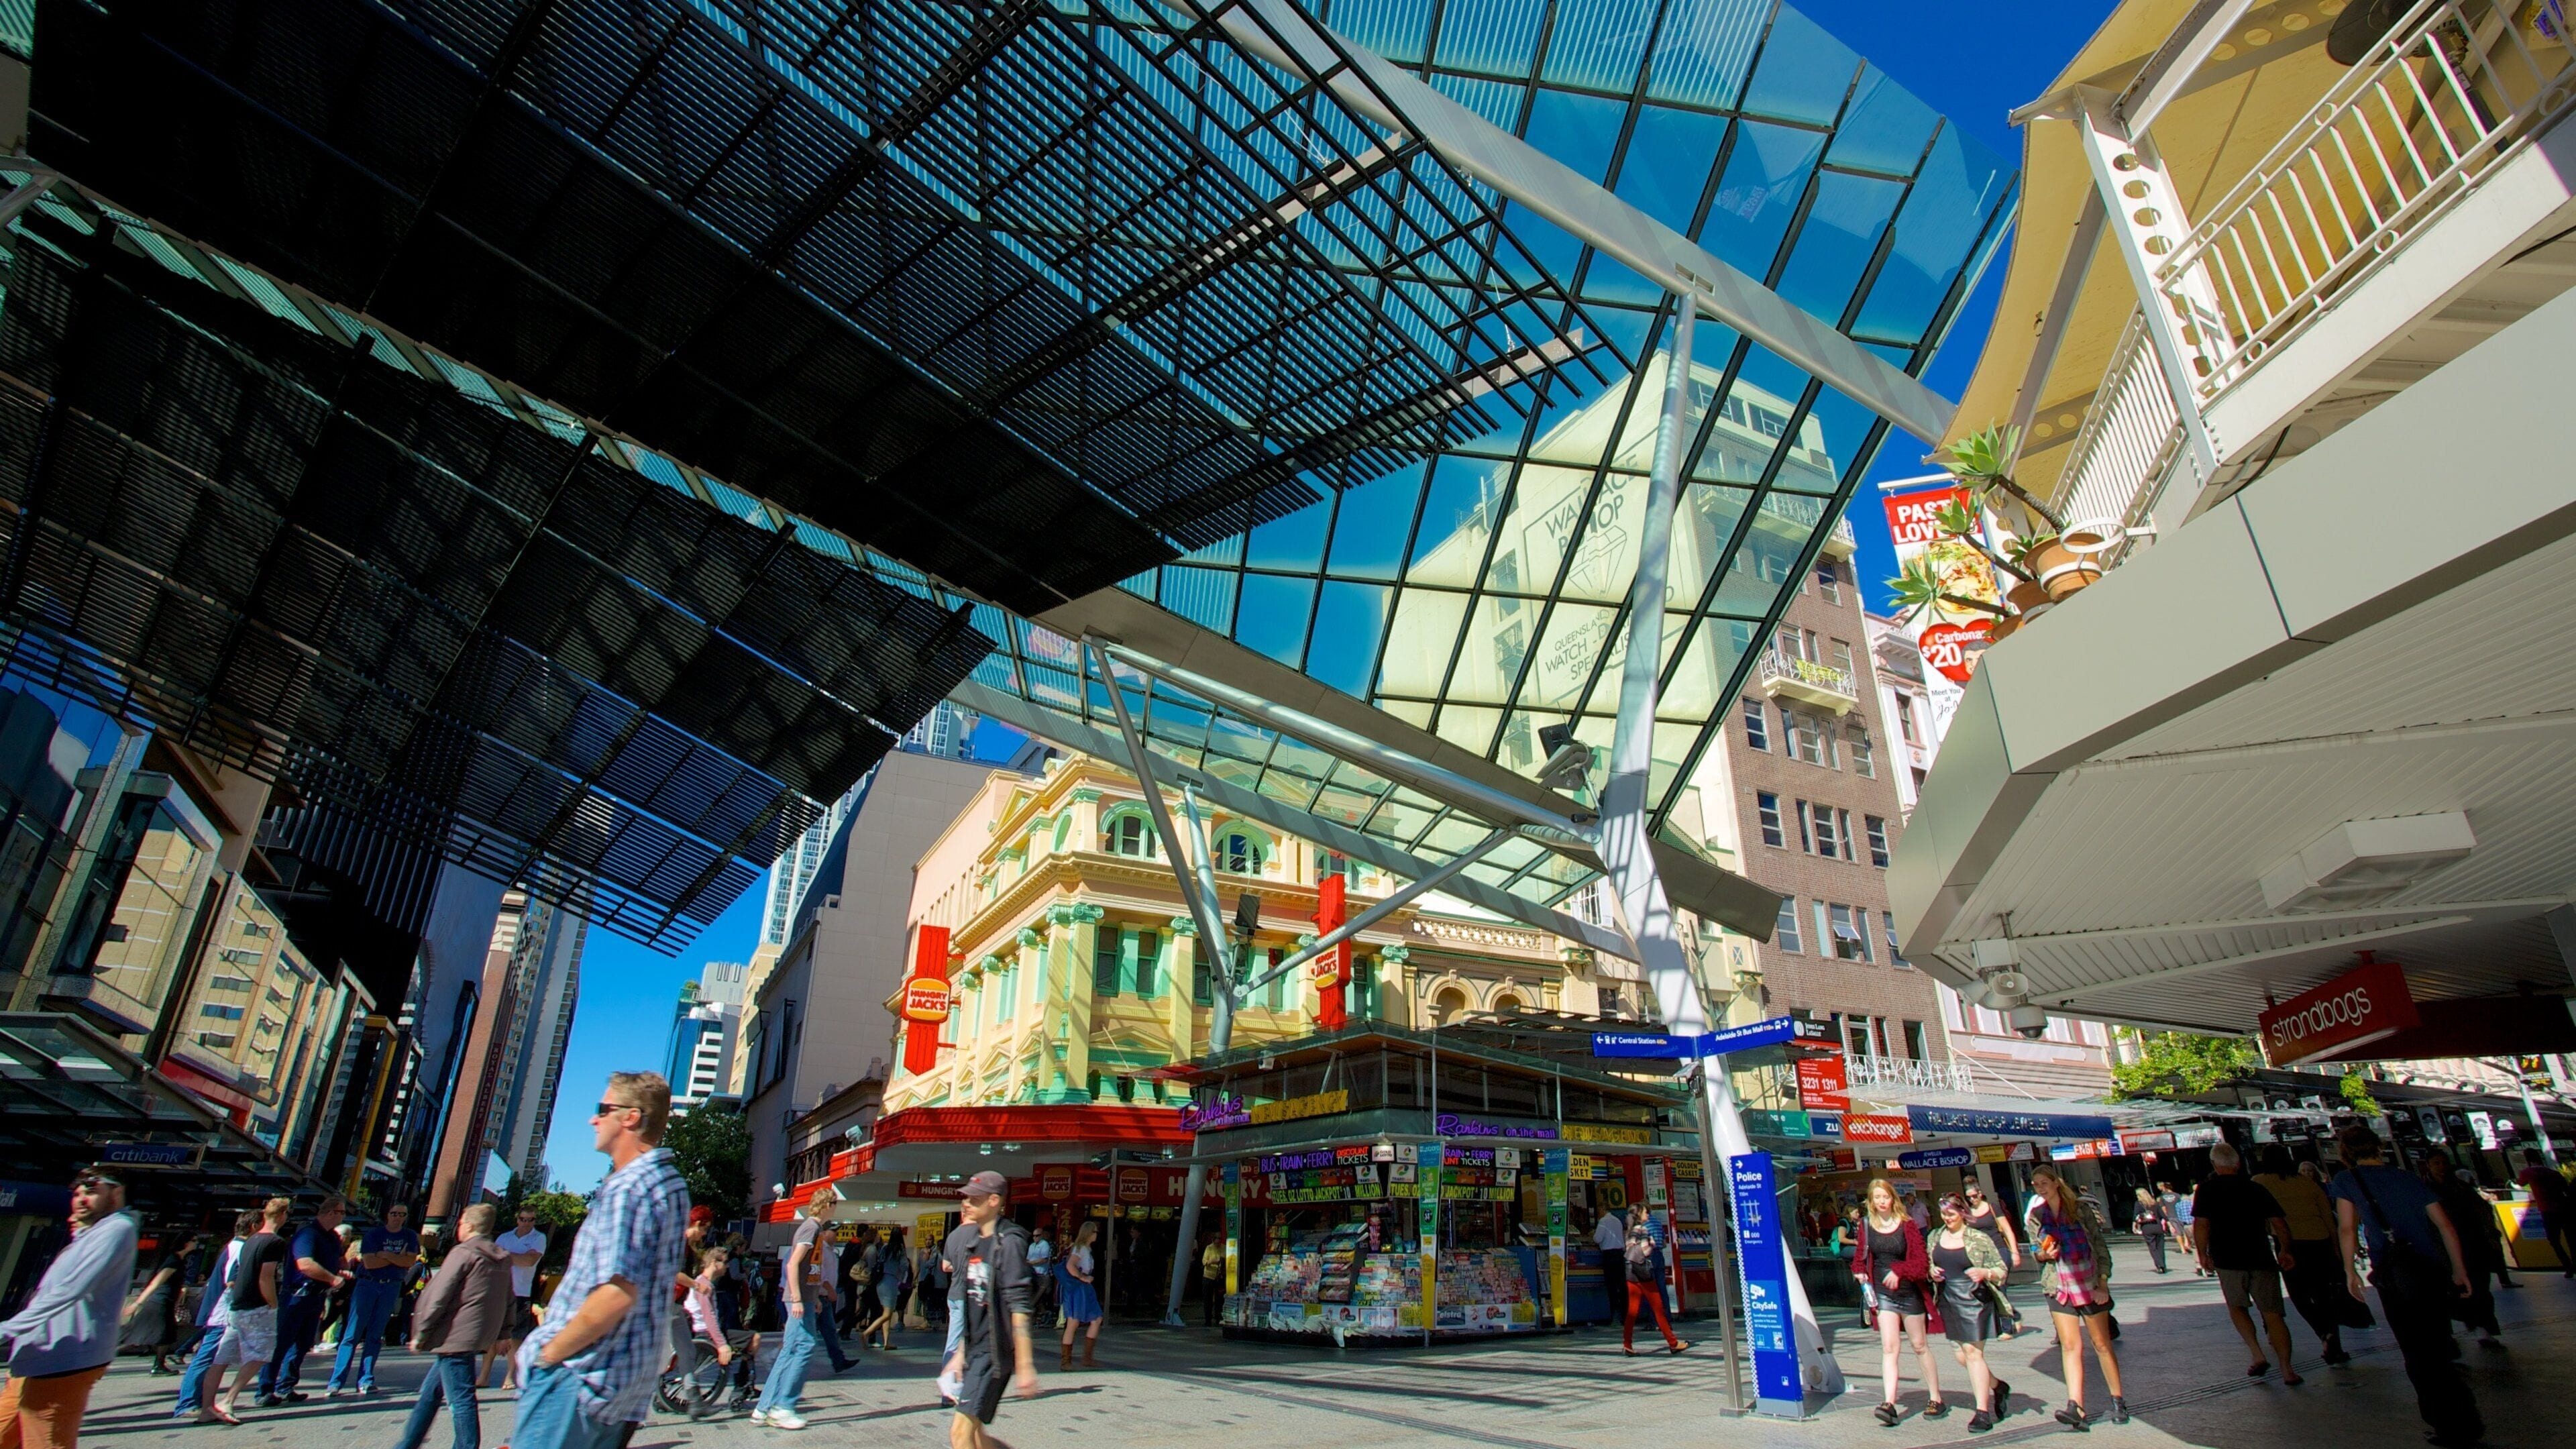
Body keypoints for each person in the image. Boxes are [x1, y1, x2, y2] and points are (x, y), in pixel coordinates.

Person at [511, 1072, 692, 1449]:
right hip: (624, 1384)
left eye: (603, 1109)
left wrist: (549, 1354)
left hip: (579, 1377)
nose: (594, 1119)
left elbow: (617, 1293)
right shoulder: (669, 1183)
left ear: (631, 1117)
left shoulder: (629, 1188)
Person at [2328, 1124, 2480, 1448]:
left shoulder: (2347, 1181)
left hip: (2394, 1275)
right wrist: (2459, 1269)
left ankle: (2445, 1423)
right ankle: (2466, 1419)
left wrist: (2350, 1271)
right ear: (2378, 1146)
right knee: (2438, 1346)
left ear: (2346, 1152)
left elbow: (2347, 1228)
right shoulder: (2407, 1177)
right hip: (2429, 1269)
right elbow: (2445, 1226)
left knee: (2416, 1352)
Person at [0, 1168, 138, 1449]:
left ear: (117, 1193)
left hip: (63, 1361)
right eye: (76, 1193)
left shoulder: (117, 1228)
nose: (80, 1199)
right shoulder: (95, 1233)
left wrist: (7, 1329)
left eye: (92, 1191)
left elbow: (71, 1289)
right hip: (34, 1357)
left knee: (47, 1442)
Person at [399, 1201, 513, 1449]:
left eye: (461, 1223)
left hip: (454, 1335)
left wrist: (422, 1331)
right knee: (430, 1395)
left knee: (461, 1400)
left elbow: (440, 1294)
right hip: (476, 1335)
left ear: (470, 1226)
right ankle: (407, 1444)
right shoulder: (502, 1258)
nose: (458, 1227)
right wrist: (505, 1332)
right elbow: (508, 1297)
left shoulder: (463, 1253)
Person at [941, 1171, 1040, 1449]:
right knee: (976, 1436)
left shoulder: (1009, 1242)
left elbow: (1019, 1305)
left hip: (994, 1354)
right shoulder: (975, 1241)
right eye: (966, 1198)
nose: (967, 1203)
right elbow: (976, 1305)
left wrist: (1025, 1364)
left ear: (994, 1201)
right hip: (977, 1350)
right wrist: (960, 1353)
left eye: (975, 1199)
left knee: (960, 1434)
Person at [2190, 1143, 2300, 1385]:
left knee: (2237, 1307)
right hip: (2260, 1257)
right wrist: (2285, 1250)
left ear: (2214, 1165)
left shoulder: (2206, 1190)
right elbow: (2279, 1223)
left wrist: (2202, 1254)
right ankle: (2287, 1369)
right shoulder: (2255, 1188)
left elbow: (2201, 1225)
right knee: (2273, 1314)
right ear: (2238, 1163)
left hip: (2227, 1259)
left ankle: (2257, 1353)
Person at [2027, 1165, 2126, 1430]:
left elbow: (2100, 1247)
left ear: (2055, 1183)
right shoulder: (2037, 1215)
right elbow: (2036, 1249)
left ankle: (2118, 1400)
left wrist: (2103, 1283)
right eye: (2036, 1184)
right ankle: (2076, 1406)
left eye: (2044, 1183)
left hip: (2089, 1282)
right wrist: (2043, 1255)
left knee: (2101, 1344)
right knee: (2070, 1346)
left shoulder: (2080, 1210)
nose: (2040, 1188)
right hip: (2059, 1286)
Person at [2251, 1146, 2353, 1362]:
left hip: (2289, 1244)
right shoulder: (2307, 1184)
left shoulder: (2259, 1182)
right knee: (2324, 1294)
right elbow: (2328, 1217)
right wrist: (2336, 1247)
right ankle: (2334, 1343)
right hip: (2320, 1241)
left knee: (2299, 1295)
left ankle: (2323, 1334)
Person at [752, 1184, 841, 1430]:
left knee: (790, 1351)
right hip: (799, 1301)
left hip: (805, 1299)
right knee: (805, 1346)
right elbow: (793, 1264)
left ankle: (764, 1407)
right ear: (827, 1205)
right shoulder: (811, 1229)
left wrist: (813, 1297)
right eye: (835, 1204)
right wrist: (799, 1299)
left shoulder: (814, 1229)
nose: (836, 1209)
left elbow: (808, 1269)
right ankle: (784, 1406)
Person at [1852, 1178, 1939, 1425]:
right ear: (1871, 1201)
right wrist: (1859, 1271)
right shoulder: (1867, 1225)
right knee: (1890, 1348)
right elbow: (1860, 1256)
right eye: (1877, 1197)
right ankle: (1889, 1403)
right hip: (1883, 1294)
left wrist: (1899, 1271)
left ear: (1893, 1199)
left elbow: (1921, 1263)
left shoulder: (1907, 1225)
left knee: (1919, 1346)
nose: (1882, 1202)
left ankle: (1936, 1398)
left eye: (1885, 1197)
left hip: (1909, 1292)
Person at [256, 1195, 352, 1405]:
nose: (344, 1216)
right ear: (331, 1212)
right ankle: (265, 1389)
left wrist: (341, 1271)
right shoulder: (308, 1233)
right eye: (342, 1212)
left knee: (302, 1344)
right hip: (297, 1295)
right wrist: (333, 1278)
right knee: (282, 1342)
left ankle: (286, 1386)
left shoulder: (332, 1237)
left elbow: (338, 1261)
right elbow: (305, 1264)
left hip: (316, 1296)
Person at [1929, 1194, 2013, 1434]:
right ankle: (1998, 1386)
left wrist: (1985, 1273)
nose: (1947, 1218)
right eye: (1944, 1214)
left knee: (1973, 1353)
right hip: (1948, 1298)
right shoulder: (1935, 1237)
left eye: (1951, 1214)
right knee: (1961, 1356)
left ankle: (1982, 1412)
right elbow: (1929, 1265)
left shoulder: (1979, 1238)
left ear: (1962, 1213)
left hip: (1975, 1300)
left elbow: (2001, 1269)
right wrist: (1932, 1272)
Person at [211, 1196, 295, 1424]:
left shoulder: (251, 1239)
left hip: (238, 1305)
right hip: (258, 1306)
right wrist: (274, 1305)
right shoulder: (275, 1242)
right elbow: (266, 1277)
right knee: (262, 1354)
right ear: (282, 1215)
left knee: (222, 1357)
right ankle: (228, 1400)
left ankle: (208, 1404)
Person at [171, 1211, 258, 1423]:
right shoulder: (241, 1248)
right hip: (222, 1312)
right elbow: (232, 1281)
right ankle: (188, 1403)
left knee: (210, 1357)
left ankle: (195, 1402)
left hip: (220, 1311)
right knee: (207, 1357)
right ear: (254, 1226)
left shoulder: (233, 1246)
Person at [326, 1201, 420, 1396]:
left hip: (391, 1285)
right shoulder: (374, 1235)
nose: (398, 1217)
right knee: (352, 1334)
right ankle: (336, 1382)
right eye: (394, 1213)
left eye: (402, 1214)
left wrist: (385, 1255)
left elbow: (410, 1261)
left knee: (375, 1335)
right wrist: (397, 1258)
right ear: (388, 1214)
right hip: (367, 1284)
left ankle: (366, 1380)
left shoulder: (410, 1236)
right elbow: (369, 1263)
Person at [2420, 1155, 2505, 1352]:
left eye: (2443, 1163)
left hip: (2471, 1243)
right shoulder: (2424, 1189)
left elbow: (2481, 1212)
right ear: (2428, 1166)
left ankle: (2482, 1327)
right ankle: (2460, 1330)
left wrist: (2490, 1236)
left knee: (2479, 1286)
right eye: (2436, 1163)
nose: (2441, 1167)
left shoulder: (2460, 1187)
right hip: (2442, 1247)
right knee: (2449, 1291)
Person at [686, 1245, 761, 1411]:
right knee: (754, 1338)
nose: (727, 1266)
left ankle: (743, 1385)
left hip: (702, 1332)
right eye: (725, 1262)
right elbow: (709, 1317)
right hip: (706, 1334)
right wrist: (721, 1344)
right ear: (714, 1263)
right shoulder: (705, 1286)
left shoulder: (701, 1282)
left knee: (745, 1339)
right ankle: (741, 1388)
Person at [120, 1230, 199, 1373]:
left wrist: (176, 1301)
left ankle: (159, 1365)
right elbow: (156, 1283)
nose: (196, 1243)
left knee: (165, 1335)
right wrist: (138, 1303)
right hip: (159, 1302)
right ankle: (158, 1365)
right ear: (186, 1243)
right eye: (194, 1240)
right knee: (143, 1335)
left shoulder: (180, 1260)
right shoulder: (173, 1260)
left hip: (166, 1302)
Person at [490, 1208, 548, 1390]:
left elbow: (529, 1261)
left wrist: (504, 1255)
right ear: (517, 1219)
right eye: (523, 1219)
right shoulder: (504, 1237)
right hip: (500, 1290)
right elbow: (493, 1259)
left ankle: (510, 1376)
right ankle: (483, 1375)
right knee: (492, 1334)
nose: (526, 1223)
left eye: (531, 1220)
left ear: (535, 1221)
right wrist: (516, 1257)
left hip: (522, 1293)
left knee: (516, 1336)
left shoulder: (539, 1238)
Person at [2514, 1148, 2572, 1277]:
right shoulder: (2554, 1173)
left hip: (2547, 1211)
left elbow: (2519, 1184)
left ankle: (2568, 1267)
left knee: (2554, 1240)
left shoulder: (2528, 1172)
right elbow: (2566, 1190)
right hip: (2564, 1209)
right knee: (2570, 1238)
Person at [1055, 1221, 1104, 1369]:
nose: (1097, 1234)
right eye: (1095, 1232)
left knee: (1096, 1319)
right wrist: (1082, 1277)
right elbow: (1070, 1265)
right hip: (1078, 1288)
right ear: (1089, 1233)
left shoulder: (1084, 1248)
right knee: (1073, 1322)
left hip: (1083, 1288)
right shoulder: (1081, 1248)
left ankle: (1085, 1358)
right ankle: (1067, 1361)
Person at [867, 1230, 910, 1350]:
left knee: (886, 1312)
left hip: (881, 1281)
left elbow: (879, 1262)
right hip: (891, 1282)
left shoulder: (885, 1248)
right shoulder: (900, 1249)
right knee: (887, 1314)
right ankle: (867, 1333)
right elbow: (904, 1265)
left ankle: (886, 1341)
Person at [2130, 1188, 2171, 1275]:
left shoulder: (2139, 1204)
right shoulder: (2155, 1203)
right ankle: (2164, 1265)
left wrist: (2134, 1226)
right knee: (2160, 1247)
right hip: (2158, 1226)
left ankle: (2159, 1265)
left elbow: (2136, 1215)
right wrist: (2170, 1225)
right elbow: (2163, 1215)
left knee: (2153, 1247)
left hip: (2147, 1227)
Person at [1024, 1229, 1055, 1328]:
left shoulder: (1045, 1245)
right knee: (1036, 1298)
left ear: (1042, 1236)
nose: (1035, 1238)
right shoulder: (1032, 1246)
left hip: (1042, 1275)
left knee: (1037, 1298)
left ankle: (1042, 1315)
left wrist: (1030, 1263)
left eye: (1037, 1236)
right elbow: (1028, 1259)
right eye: (1034, 1236)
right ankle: (1043, 1314)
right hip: (1033, 1274)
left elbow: (1044, 1259)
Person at [1197, 1232, 1224, 1328]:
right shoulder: (1209, 1248)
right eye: (1217, 1238)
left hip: (1218, 1277)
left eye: (1220, 1238)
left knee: (1219, 1300)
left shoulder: (1224, 1248)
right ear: (1213, 1239)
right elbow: (1204, 1261)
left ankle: (1218, 1318)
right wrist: (1211, 1261)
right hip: (1208, 1276)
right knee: (1207, 1299)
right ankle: (1208, 1320)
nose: (1218, 1240)